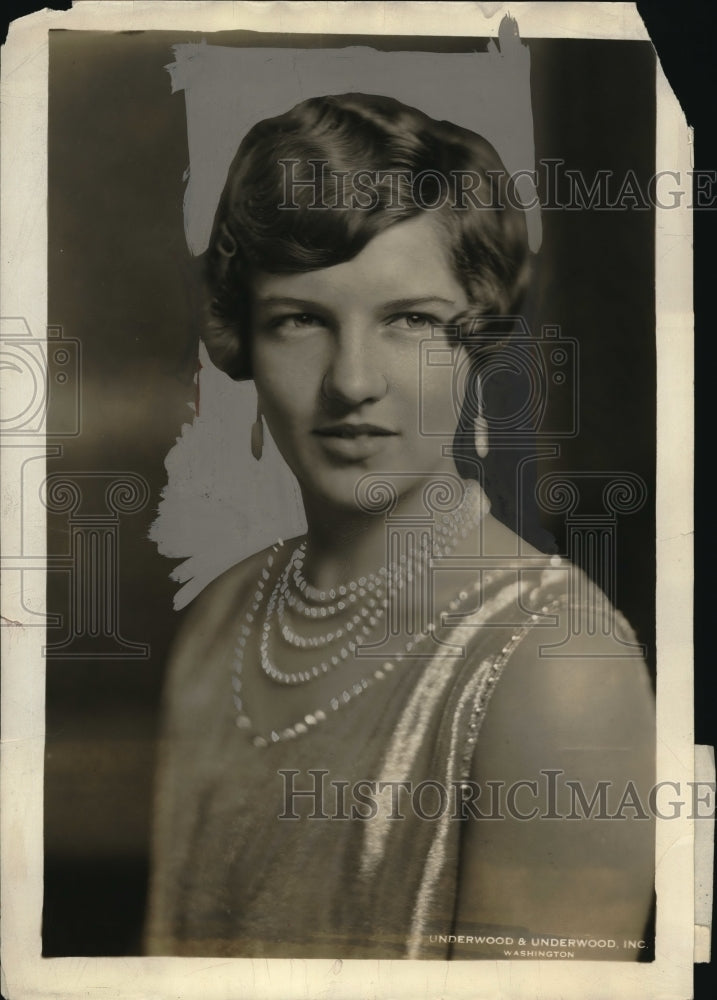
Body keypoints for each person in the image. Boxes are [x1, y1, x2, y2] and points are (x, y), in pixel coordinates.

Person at [144, 93, 655, 960]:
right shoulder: (219, 620)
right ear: (243, 341)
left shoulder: (559, 664)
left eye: (410, 320)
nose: (352, 381)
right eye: (300, 320)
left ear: (476, 339)